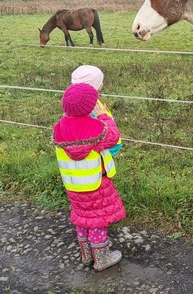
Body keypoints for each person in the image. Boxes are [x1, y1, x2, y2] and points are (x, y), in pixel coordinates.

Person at [53, 83, 126, 271]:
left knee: (82, 218)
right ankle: (102, 258)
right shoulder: (96, 128)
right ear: (90, 106)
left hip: (73, 185)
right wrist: (103, 115)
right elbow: (114, 136)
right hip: (95, 183)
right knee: (97, 222)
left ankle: (87, 255)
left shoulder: (59, 128)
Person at [71, 64, 122, 156]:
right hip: (105, 146)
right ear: (94, 85)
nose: (102, 83)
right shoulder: (92, 105)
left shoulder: (77, 102)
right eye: (100, 81)